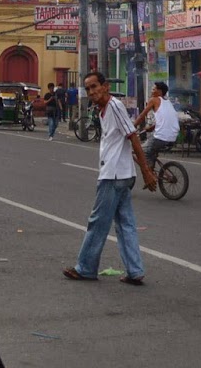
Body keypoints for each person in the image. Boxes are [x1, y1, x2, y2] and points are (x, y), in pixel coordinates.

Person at [64, 70, 155, 285]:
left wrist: (146, 171)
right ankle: (135, 270)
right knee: (125, 224)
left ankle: (85, 267)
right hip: (120, 173)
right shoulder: (103, 110)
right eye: (88, 89)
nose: (92, 92)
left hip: (113, 176)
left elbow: (132, 136)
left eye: (95, 86)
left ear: (105, 86)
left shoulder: (114, 106)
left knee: (98, 222)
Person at [134, 81, 180, 168]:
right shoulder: (168, 102)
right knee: (151, 149)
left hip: (161, 137)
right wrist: (151, 128)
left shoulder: (154, 100)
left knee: (143, 151)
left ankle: (150, 175)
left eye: (153, 89)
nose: (151, 91)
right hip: (173, 137)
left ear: (159, 92)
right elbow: (165, 121)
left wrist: (131, 127)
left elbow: (141, 116)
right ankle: (152, 167)